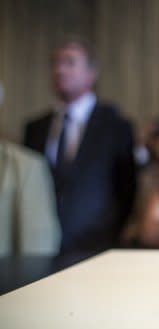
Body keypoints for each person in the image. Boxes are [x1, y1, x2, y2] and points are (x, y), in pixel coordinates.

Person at [24, 36, 136, 254]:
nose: (60, 70)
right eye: (55, 63)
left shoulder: (115, 125)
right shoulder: (35, 127)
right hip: (40, 247)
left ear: (91, 73)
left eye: (69, 62)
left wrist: (111, 235)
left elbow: (127, 188)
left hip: (95, 245)